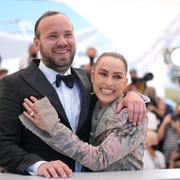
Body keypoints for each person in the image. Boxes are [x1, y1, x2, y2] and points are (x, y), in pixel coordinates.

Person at [0, 11, 148, 178]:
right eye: (53, 36)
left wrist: (134, 95)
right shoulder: (13, 84)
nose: (62, 42)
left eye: (68, 35)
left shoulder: (88, 79)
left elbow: (114, 89)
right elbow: (3, 144)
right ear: (37, 43)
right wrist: (38, 166)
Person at [20, 52, 147, 172]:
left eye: (117, 77)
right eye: (103, 74)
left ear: (125, 82)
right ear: (92, 76)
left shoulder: (132, 113)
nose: (109, 82)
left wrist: (53, 127)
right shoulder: (88, 101)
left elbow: (99, 160)